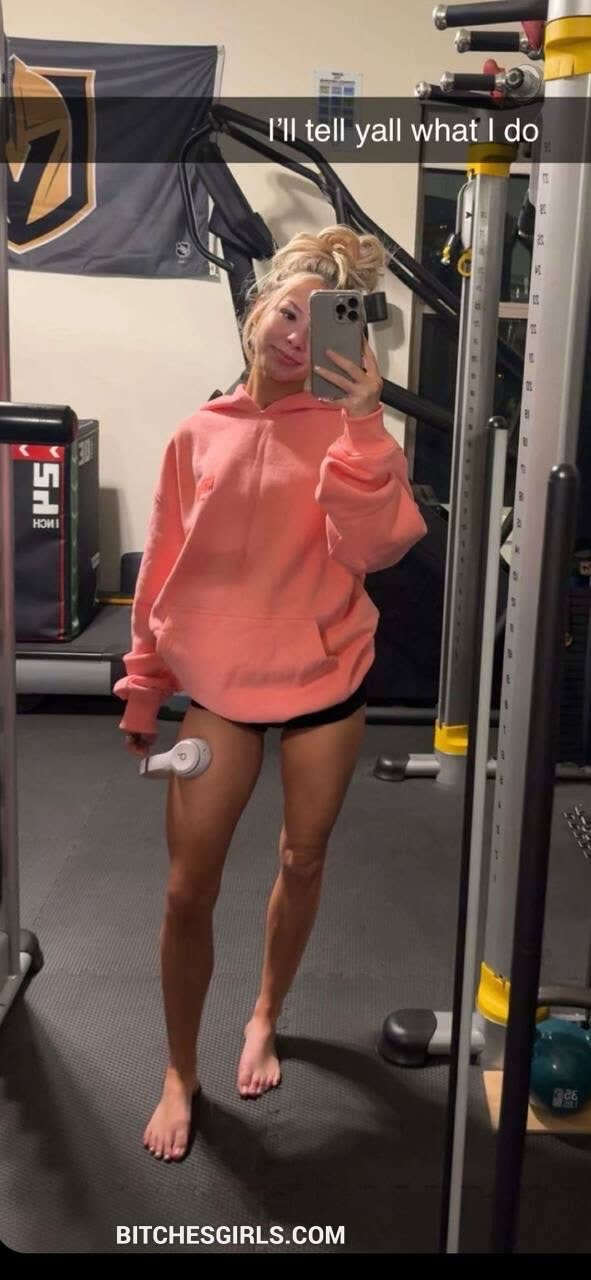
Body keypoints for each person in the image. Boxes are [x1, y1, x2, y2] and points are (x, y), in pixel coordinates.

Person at [114, 225, 427, 1163]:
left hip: (324, 678)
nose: (298, 336)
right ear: (256, 309)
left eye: (321, 320)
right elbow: (162, 566)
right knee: (186, 891)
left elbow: (376, 547)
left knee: (303, 856)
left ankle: (263, 1013)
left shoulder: (350, 429)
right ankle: (178, 1070)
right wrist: (143, 687)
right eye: (288, 312)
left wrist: (364, 424)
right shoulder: (196, 433)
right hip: (218, 689)